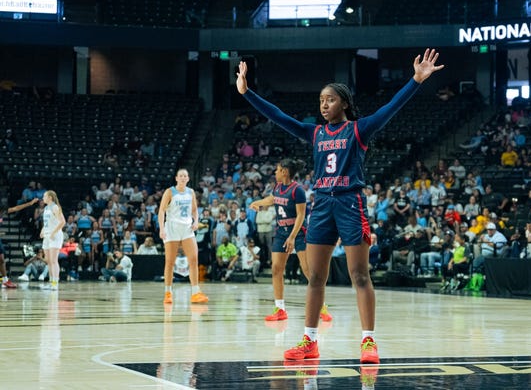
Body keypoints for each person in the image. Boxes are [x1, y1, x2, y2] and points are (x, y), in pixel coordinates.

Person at [236, 48, 445, 364]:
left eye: (330, 99)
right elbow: (278, 116)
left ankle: (368, 342)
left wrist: (415, 80)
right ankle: (310, 341)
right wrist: (247, 92)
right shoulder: (314, 132)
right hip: (321, 205)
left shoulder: (359, 129)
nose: (323, 104)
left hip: (350, 204)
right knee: (315, 278)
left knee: (359, 275)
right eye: (321, 100)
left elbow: (392, 107)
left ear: (344, 103)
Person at [248, 159, 332, 322]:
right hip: (281, 231)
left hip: (299, 232)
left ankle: (322, 307)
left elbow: (301, 215)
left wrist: (292, 237)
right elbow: (271, 200)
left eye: (278, 170)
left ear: (285, 171)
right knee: (276, 269)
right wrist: (257, 202)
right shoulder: (278, 187)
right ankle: (280, 309)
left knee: (308, 270)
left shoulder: (298, 190)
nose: (275, 172)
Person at [158, 168, 208, 304]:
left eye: (185, 176)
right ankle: (168, 292)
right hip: (172, 228)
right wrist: (162, 229)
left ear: (188, 178)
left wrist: (196, 222)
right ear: (176, 178)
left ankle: (195, 292)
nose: (183, 178)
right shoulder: (169, 192)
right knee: (170, 261)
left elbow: (194, 210)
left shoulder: (191, 192)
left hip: (187, 228)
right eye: (180, 176)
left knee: (193, 259)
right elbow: (161, 211)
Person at [0, 198, 39, 287]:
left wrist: (29, 203)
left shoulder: (3, 212)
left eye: (3, 212)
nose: (3, 214)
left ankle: (5, 281)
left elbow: (16, 208)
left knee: (2, 259)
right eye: (2, 212)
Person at [41, 191, 66, 291]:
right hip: (47, 235)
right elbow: (46, 223)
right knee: (48, 261)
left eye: (44, 196)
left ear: (50, 197)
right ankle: (51, 282)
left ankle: (55, 283)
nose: (43, 198)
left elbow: (62, 222)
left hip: (55, 236)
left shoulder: (55, 207)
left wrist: (53, 233)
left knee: (54, 260)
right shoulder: (46, 208)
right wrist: (42, 231)